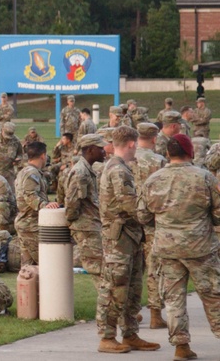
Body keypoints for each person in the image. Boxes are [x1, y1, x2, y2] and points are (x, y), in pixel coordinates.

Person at [137, 133, 220, 361]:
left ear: (167, 153)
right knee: (213, 295)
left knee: (173, 299)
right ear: (190, 152)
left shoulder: (153, 180)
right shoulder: (205, 178)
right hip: (200, 247)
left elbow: (143, 215)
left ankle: (181, 347)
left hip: (167, 248)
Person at [95, 126, 159, 354]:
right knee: (115, 287)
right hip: (119, 239)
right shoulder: (118, 170)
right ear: (131, 144)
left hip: (130, 236)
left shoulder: (121, 167)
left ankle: (130, 334)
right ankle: (107, 336)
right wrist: (154, 213)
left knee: (132, 288)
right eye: (136, 146)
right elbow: (128, 204)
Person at [133, 123, 168, 330]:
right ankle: (155, 314)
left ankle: (133, 311)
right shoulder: (158, 161)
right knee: (154, 268)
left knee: (134, 267)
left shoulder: (125, 159)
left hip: (130, 220)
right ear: (154, 139)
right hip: (152, 221)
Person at [62, 134, 106, 286]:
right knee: (100, 274)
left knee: (102, 273)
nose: (104, 151)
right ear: (91, 150)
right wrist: (71, 222)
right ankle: (106, 309)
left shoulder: (87, 170)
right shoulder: (81, 173)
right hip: (86, 228)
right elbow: (73, 202)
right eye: (100, 148)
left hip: (91, 226)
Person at [15, 142, 56, 266]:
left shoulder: (27, 171)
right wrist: (44, 205)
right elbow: (30, 195)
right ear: (43, 156)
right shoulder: (31, 173)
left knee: (29, 269)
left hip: (27, 223)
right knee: (46, 264)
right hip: (30, 225)